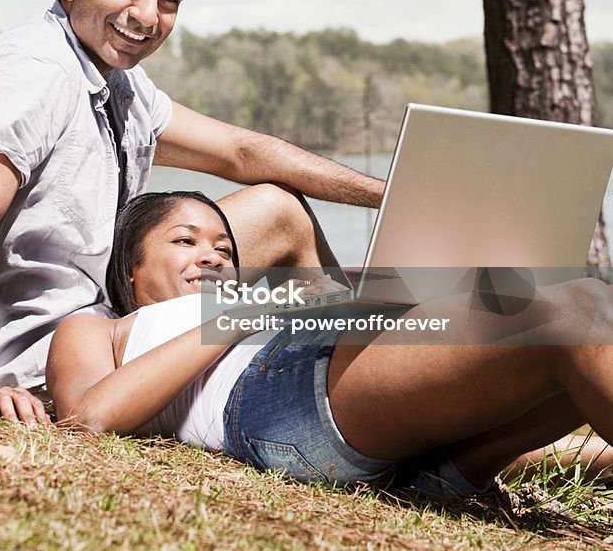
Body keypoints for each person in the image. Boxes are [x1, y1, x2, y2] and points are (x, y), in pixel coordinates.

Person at [0, 0, 383, 425]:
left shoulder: (116, 80)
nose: (147, 15)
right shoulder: (29, 72)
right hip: (42, 359)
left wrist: (394, 195)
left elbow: (241, 152)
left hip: (107, 309)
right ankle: (347, 406)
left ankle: (353, 369)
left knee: (280, 211)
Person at [46, 191, 613, 500]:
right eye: (184, 241)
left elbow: (350, 298)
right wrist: (241, 312)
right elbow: (89, 418)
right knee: (580, 310)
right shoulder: (98, 328)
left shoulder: (252, 301)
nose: (215, 256)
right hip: (272, 394)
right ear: (130, 268)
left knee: (568, 316)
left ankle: (444, 471)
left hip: (320, 362)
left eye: (224, 247)